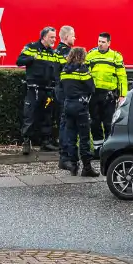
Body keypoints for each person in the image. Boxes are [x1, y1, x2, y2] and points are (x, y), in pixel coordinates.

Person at [17, 27, 63, 154]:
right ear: (43, 37)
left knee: (47, 117)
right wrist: (32, 58)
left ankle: (46, 143)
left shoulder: (53, 53)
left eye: (55, 37)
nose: (54, 40)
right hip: (34, 90)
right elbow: (19, 61)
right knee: (29, 116)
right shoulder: (31, 47)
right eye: (51, 37)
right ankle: (26, 143)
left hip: (48, 91)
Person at [58, 48, 100, 177]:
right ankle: (87, 168)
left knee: (70, 137)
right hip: (80, 106)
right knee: (84, 138)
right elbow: (91, 88)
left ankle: (73, 166)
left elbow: (60, 88)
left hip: (67, 105)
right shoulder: (83, 70)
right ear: (81, 56)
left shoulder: (64, 71)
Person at [86, 32, 128, 142]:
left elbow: (122, 77)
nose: (100, 44)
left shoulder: (116, 56)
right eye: (99, 41)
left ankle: (108, 146)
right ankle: (97, 148)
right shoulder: (91, 55)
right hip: (94, 94)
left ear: (109, 43)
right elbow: (85, 74)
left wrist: (122, 95)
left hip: (109, 95)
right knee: (95, 122)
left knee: (108, 122)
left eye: (103, 42)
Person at [54, 26, 76, 170]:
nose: (75, 38)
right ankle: (65, 157)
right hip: (66, 93)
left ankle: (66, 155)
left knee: (64, 123)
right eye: (73, 36)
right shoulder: (68, 53)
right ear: (66, 37)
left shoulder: (56, 51)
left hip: (59, 90)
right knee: (67, 125)